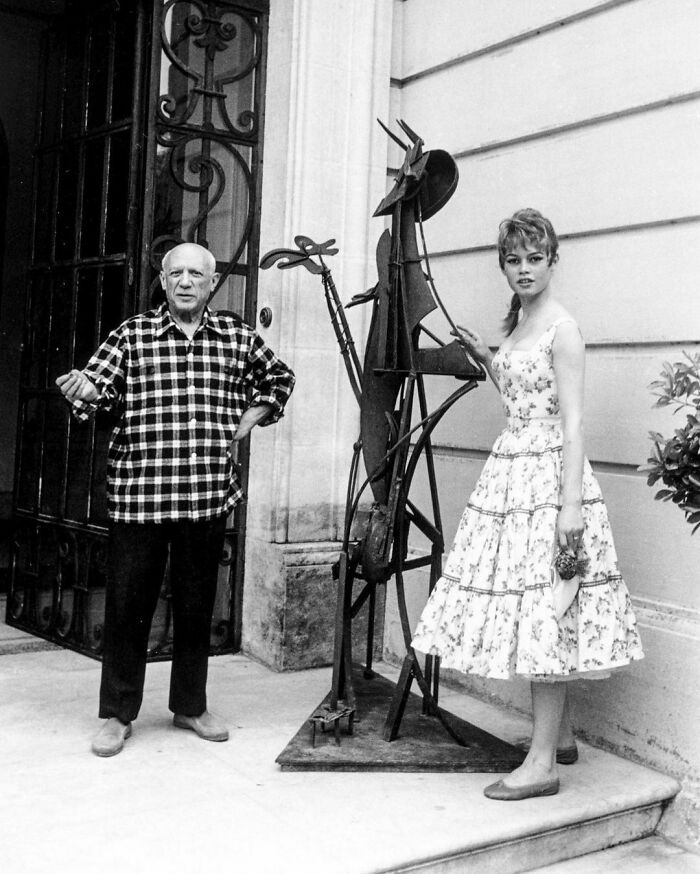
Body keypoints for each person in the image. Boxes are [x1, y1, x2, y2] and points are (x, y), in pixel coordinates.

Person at [411, 208, 643, 800]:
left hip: (549, 482)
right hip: (512, 474)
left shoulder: (563, 328)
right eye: (513, 260)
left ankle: (542, 765)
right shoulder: (520, 324)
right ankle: (559, 738)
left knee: (548, 608)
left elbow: (573, 422)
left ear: (552, 261)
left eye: (534, 258)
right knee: (537, 604)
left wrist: (570, 509)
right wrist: (488, 359)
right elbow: (522, 394)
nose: (523, 269)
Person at [56, 242, 295, 757]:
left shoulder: (235, 336)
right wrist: (85, 391)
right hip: (141, 497)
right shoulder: (133, 335)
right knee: (127, 608)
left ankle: (189, 705)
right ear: (163, 282)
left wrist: (247, 420)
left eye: (196, 274)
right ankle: (118, 715)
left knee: (195, 606)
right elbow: (97, 389)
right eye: (176, 274)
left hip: (205, 497)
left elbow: (280, 379)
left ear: (211, 284)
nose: (186, 282)